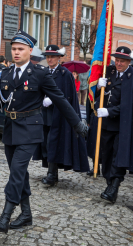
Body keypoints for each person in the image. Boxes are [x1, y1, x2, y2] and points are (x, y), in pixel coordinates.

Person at [0, 30, 88, 234]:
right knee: (20, 174)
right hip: (10, 130)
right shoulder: (4, 74)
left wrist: (77, 123)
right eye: (13, 49)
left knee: (16, 172)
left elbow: (60, 99)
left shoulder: (40, 74)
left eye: (20, 49)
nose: (16, 53)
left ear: (30, 51)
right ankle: (26, 214)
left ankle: (5, 215)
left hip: (31, 129)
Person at [96, 46, 133, 204]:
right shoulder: (109, 72)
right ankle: (109, 184)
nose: (118, 63)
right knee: (106, 155)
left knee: (118, 156)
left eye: (122, 61)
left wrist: (109, 111)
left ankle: (113, 187)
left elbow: (131, 105)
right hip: (106, 124)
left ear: (129, 61)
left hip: (123, 125)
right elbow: (100, 94)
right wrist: (98, 86)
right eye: (117, 60)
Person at [33, 45, 89, 186]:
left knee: (53, 144)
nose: (50, 59)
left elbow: (69, 96)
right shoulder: (43, 72)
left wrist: (53, 99)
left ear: (59, 58)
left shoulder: (65, 74)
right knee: (45, 143)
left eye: (52, 56)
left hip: (58, 115)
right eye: (48, 56)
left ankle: (52, 175)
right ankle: (52, 172)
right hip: (44, 113)